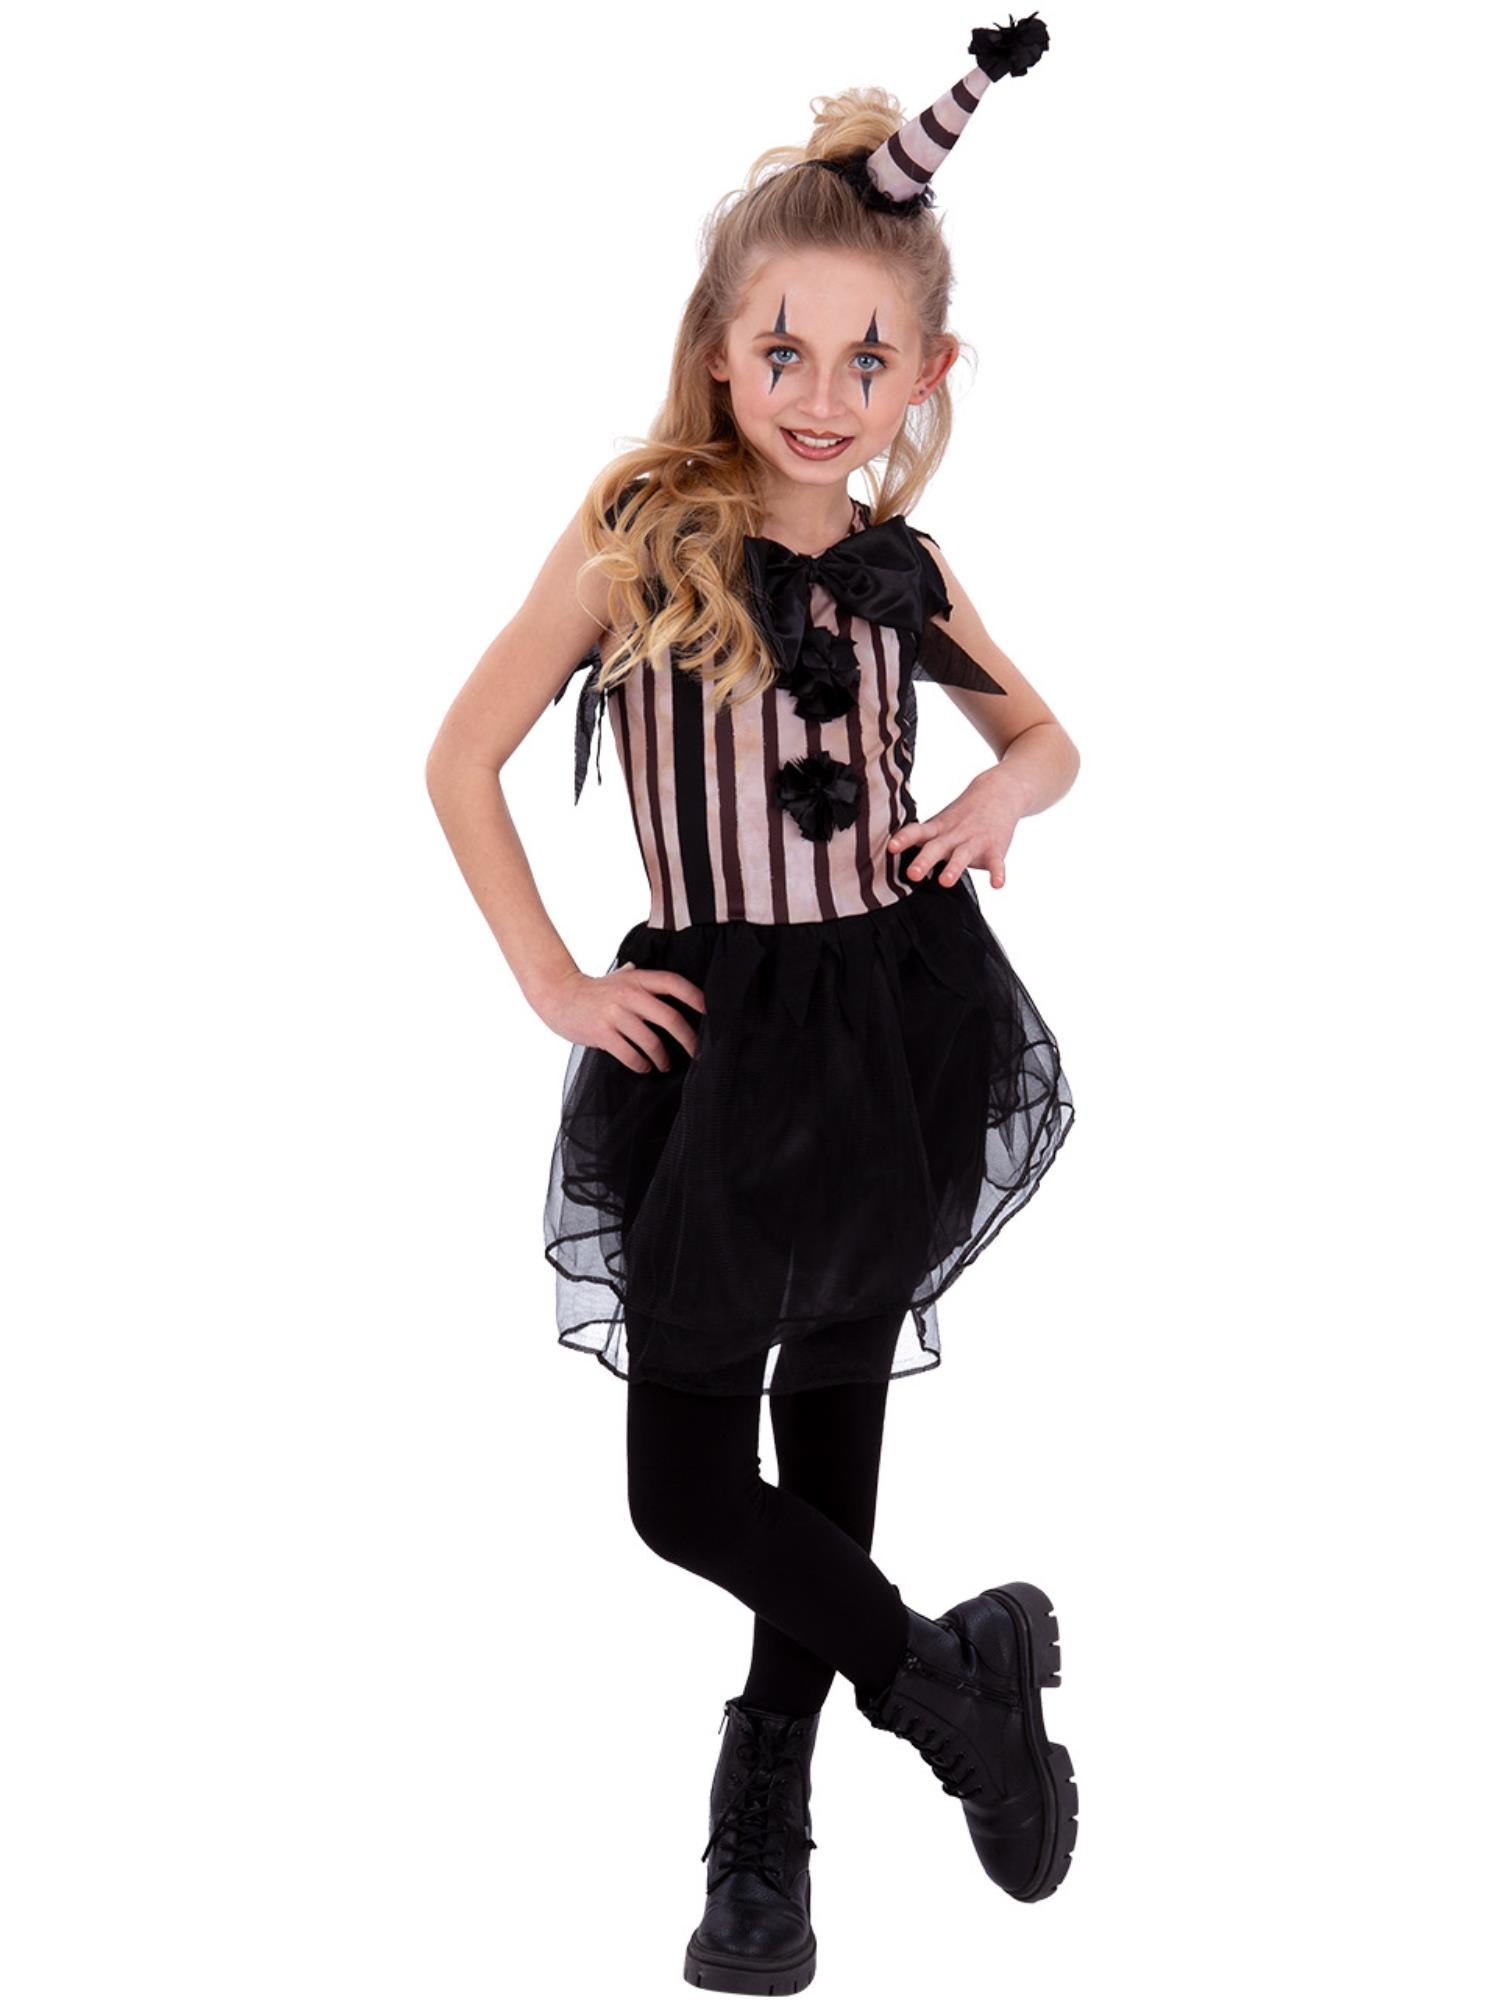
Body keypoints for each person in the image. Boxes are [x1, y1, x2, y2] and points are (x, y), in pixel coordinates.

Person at [426, 17, 1079, 1991]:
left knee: (835, 1429)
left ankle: (763, 1823)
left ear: (925, 375)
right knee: (687, 1491)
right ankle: (943, 1676)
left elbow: (1049, 741)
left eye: (867, 360)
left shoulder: (899, 568)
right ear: (719, 344)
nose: (819, 392)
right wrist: (554, 977)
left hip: (894, 1020)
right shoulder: (641, 539)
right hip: (714, 1042)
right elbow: (459, 757)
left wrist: (992, 798)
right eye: (783, 350)